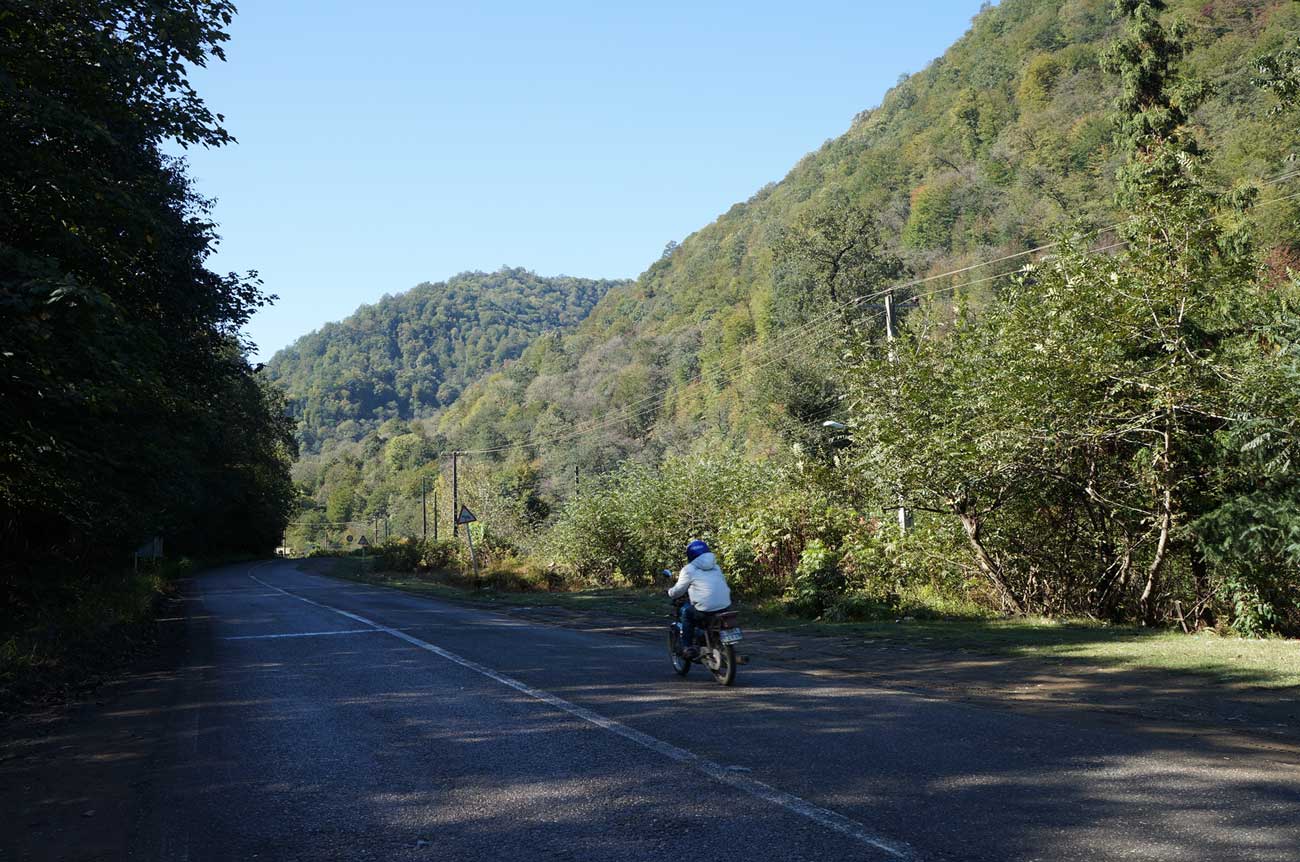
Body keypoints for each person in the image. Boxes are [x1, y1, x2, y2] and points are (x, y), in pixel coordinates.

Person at [667, 539, 732, 659]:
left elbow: (679, 590)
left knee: (687, 613)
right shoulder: (716, 567)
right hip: (726, 607)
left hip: (705, 610)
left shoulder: (688, 570)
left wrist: (670, 592)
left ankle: (687, 647)